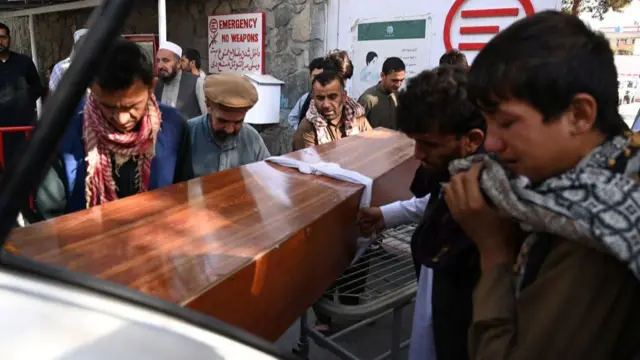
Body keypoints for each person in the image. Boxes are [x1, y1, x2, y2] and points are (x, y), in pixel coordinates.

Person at [448, 11, 640, 359]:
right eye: (488, 123)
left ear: (579, 115)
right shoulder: (572, 191)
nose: (490, 144)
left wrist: (493, 251)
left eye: (507, 122)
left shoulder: (592, 237)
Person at [358, 65, 485, 360]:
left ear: (473, 140)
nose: (417, 154)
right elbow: (433, 203)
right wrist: (384, 214)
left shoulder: (488, 213)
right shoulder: (455, 173)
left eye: (428, 144)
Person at [34, 38, 193, 220]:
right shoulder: (63, 137)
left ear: (151, 87)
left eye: (131, 106)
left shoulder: (175, 127)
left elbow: (183, 196)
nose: (121, 119)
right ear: (92, 91)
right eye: (108, 107)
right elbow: (50, 220)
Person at [188, 73, 270, 176]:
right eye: (222, 121)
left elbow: (266, 177)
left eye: (238, 122)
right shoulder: (187, 134)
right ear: (208, 106)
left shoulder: (252, 138)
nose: (230, 129)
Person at [0, 22, 45, 173]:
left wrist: (24, 101)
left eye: (2, 37)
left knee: (27, 169)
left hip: (23, 128)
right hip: (1, 131)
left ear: (9, 38)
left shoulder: (23, 62)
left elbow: (37, 87)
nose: (0, 42)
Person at [292, 70, 371, 150]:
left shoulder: (357, 118)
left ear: (344, 97)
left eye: (332, 97)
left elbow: (371, 150)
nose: (326, 104)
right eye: (320, 98)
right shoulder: (308, 127)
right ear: (313, 98)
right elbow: (308, 161)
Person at [155, 41, 207, 119]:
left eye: (165, 61)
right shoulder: (155, 85)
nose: (160, 65)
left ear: (179, 63)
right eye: (158, 61)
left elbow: (206, 118)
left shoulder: (197, 82)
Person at [357, 57, 406, 130]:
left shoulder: (399, 97)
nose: (398, 84)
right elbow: (356, 128)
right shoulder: (367, 99)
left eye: (401, 80)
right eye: (394, 80)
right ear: (383, 75)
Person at [287, 57, 325, 131]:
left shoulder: (330, 100)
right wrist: (300, 132)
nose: (318, 80)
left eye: (321, 76)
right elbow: (292, 118)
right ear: (310, 77)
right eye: (315, 76)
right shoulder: (305, 98)